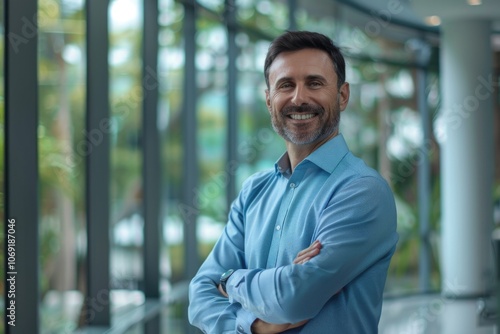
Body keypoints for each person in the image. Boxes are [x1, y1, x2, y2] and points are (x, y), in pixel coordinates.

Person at [188, 30, 398, 334]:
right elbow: (199, 295)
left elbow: (293, 300)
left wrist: (229, 279)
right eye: (286, 85)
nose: (299, 98)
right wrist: (255, 326)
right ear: (269, 99)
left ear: (342, 95)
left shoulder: (362, 191)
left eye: (314, 83)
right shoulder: (254, 192)